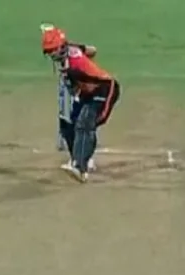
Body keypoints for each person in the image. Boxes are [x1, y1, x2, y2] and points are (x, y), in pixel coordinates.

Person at [42, 25, 121, 183]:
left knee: (85, 123)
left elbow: (82, 82)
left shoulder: (74, 66)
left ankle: (80, 166)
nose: (52, 54)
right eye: (49, 51)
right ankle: (79, 159)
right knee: (67, 125)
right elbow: (92, 50)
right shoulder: (71, 51)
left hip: (105, 89)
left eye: (53, 50)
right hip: (87, 93)